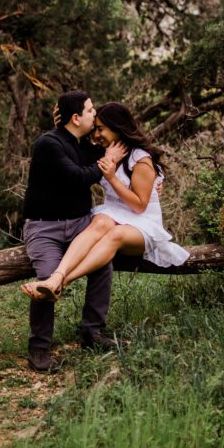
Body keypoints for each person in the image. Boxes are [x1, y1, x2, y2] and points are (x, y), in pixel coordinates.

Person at [22, 102, 190, 303]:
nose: (96, 134)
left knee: (115, 235)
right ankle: (57, 276)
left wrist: (112, 178)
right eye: (95, 129)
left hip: (143, 223)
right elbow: (69, 149)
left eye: (101, 129)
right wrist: (63, 126)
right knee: (100, 222)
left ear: (117, 127)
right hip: (115, 213)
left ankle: (60, 281)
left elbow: (139, 206)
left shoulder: (140, 159)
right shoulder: (104, 153)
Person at [21, 90, 126, 373]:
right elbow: (77, 178)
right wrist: (107, 164)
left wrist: (156, 180)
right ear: (76, 117)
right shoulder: (49, 144)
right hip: (45, 227)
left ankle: (92, 332)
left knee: (103, 264)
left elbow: (127, 147)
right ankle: (39, 347)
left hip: (80, 223)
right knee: (47, 276)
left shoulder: (83, 143)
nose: (96, 114)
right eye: (91, 111)